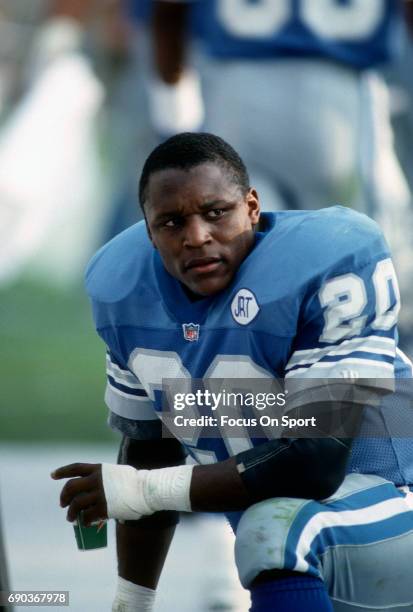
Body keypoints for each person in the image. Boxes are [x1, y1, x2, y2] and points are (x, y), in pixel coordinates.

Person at [52, 133, 413, 611]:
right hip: (313, 548)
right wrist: (131, 601)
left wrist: (140, 489)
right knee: (273, 530)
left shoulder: (325, 264)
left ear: (252, 207)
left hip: (393, 506)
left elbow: (315, 459)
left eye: (216, 212)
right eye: (172, 222)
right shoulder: (128, 293)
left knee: (273, 531)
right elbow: (151, 453)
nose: (197, 236)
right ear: (149, 231)